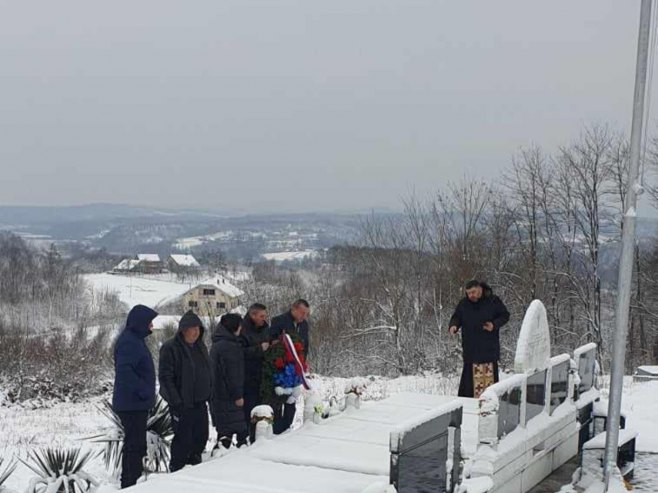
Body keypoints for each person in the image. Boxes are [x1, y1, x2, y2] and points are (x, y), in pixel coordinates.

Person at [158, 310, 211, 472]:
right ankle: (177, 470)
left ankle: (195, 468)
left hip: (200, 401)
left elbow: (207, 371)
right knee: (183, 439)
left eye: (198, 328)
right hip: (182, 404)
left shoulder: (200, 347)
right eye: (192, 328)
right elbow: (166, 378)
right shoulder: (170, 348)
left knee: (201, 437)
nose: (196, 332)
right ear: (183, 330)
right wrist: (176, 402)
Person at [112, 304, 158, 489]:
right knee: (134, 446)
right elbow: (125, 373)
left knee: (136, 445)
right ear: (140, 322)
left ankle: (133, 482)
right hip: (131, 404)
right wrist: (144, 392)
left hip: (135, 403)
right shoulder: (129, 342)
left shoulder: (134, 339)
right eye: (149, 322)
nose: (152, 326)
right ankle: (130, 484)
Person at [449, 280, 510, 398]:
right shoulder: (464, 304)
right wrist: (453, 325)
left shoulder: (493, 301)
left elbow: (505, 315)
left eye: (473, 292)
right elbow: (457, 317)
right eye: (468, 293)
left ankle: (489, 409)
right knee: (469, 388)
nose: (471, 295)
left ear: (480, 289)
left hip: (488, 350)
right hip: (471, 351)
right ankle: (468, 411)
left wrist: (493, 325)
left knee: (489, 388)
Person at [269, 299, 310, 434]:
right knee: (279, 399)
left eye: (306, 314)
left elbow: (305, 345)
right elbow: (272, 343)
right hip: (280, 368)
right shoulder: (279, 321)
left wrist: (303, 363)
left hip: (296, 369)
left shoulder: (304, 325)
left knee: (292, 400)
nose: (304, 317)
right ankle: (276, 430)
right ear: (294, 309)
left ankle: (287, 427)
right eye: (302, 313)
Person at [209, 313, 248, 449]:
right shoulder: (229, 346)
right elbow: (232, 373)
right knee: (234, 433)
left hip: (219, 395)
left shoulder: (218, 344)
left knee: (225, 431)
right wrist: (237, 395)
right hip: (229, 397)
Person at [239, 303, 270, 442]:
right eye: (261, 316)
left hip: (263, 377)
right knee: (249, 412)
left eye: (265, 315)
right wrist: (259, 349)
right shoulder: (243, 329)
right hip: (248, 378)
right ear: (253, 315)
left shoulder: (265, 328)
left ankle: (260, 437)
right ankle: (248, 439)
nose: (264, 318)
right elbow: (239, 352)